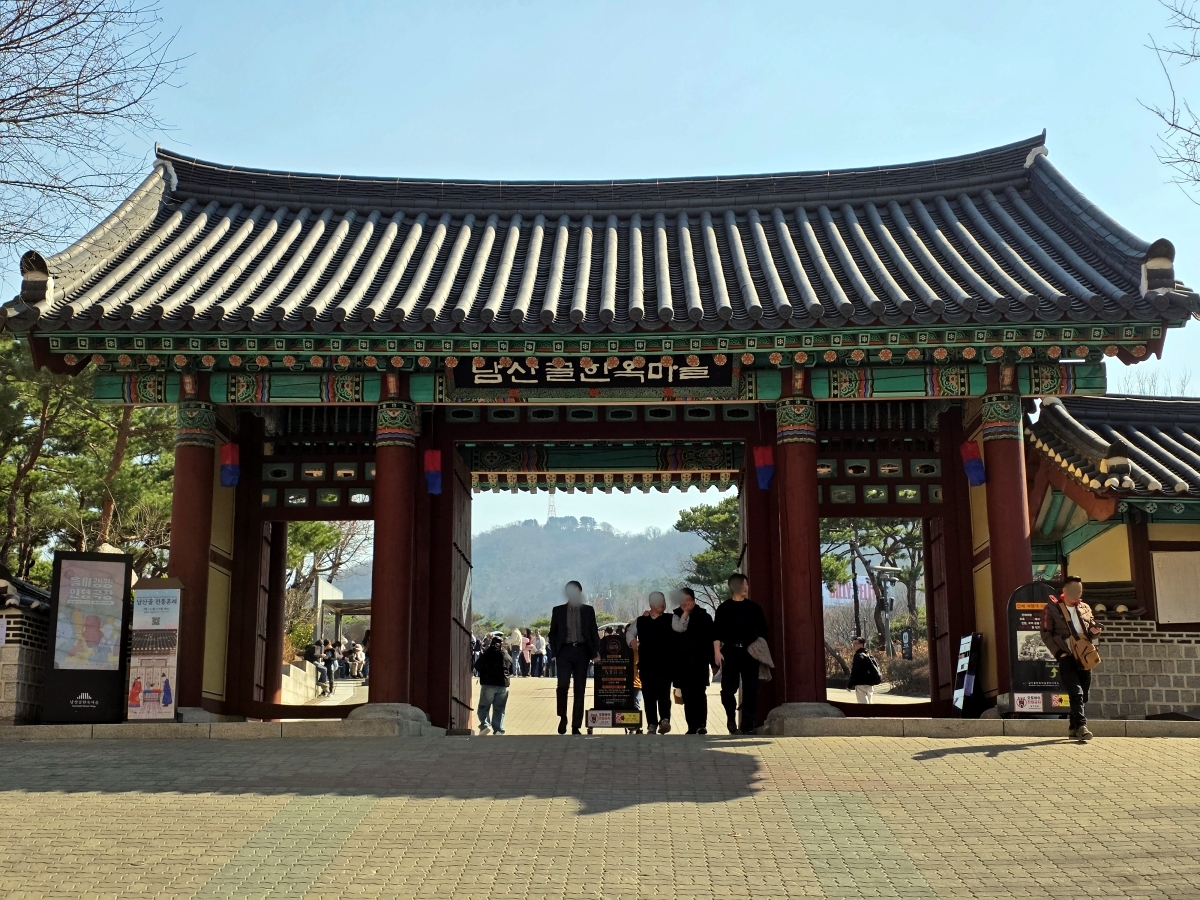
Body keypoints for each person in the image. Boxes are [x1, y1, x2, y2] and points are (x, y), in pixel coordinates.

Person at [1041, 575, 1103, 742]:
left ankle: (1073, 727)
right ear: (1065, 590)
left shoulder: (1085, 608)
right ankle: (1082, 726)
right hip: (1066, 655)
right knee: (1076, 692)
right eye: (1074, 590)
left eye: (1080, 590)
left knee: (1084, 695)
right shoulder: (1051, 609)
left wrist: (1095, 634)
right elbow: (1046, 634)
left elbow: (1091, 632)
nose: (1078, 594)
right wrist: (1058, 653)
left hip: (1085, 656)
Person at [714, 573, 769, 734]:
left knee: (751, 690)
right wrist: (717, 652)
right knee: (727, 689)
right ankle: (731, 719)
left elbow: (764, 632)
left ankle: (747, 726)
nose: (745, 587)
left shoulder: (754, 608)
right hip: (730, 652)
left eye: (747, 583)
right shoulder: (724, 608)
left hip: (750, 653)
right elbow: (716, 633)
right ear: (732, 586)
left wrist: (758, 647)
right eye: (742, 584)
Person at [548, 580, 601, 734]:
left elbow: (593, 632)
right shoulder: (558, 611)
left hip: (582, 652)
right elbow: (552, 633)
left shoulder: (588, 610)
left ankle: (576, 725)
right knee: (562, 686)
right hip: (564, 652)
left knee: (580, 689)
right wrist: (554, 653)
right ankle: (562, 717)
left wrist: (595, 652)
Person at [671, 587, 717, 734]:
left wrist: (713, 663)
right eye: (682, 601)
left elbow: (711, 640)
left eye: (688, 600)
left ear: (694, 600)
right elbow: (673, 639)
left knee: (700, 694)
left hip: (700, 662)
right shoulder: (675, 616)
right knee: (687, 695)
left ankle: (701, 724)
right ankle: (691, 726)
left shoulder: (704, 617)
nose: (686, 603)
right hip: (681, 663)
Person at [629, 592, 674, 734]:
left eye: (664, 601)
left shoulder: (670, 618)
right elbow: (630, 633)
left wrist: (684, 613)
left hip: (665, 665)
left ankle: (665, 720)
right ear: (651, 604)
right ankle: (652, 724)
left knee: (664, 694)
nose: (662, 604)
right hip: (646, 665)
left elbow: (681, 627)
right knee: (649, 696)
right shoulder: (641, 620)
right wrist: (632, 641)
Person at [474, 635, 514, 735]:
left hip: (488, 683)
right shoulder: (505, 654)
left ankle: (485, 725)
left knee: (484, 706)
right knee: (499, 708)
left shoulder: (487, 653)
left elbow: (478, 665)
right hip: (503, 685)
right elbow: (511, 669)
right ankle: (498, 729)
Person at [847, 637, 882, 703]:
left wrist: (850, 685)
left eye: (855, 643)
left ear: (861, 645)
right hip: (870, 685)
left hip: (861, 685)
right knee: (869, 703)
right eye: (853, 643)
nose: (853, 645)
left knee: (863, 705)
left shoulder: (858, 656)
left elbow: (855, 671)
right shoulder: (868, 655)